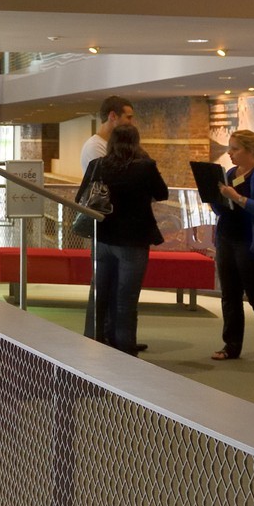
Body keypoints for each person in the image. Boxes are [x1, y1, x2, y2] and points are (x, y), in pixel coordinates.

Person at [77, 125, 167, 354]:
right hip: (133, 242)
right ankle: (124, 350)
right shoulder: (145, 167)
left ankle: (92, 345)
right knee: (125, 299)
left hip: (103, 238)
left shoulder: (97, 165)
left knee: (98, 295)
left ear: (111, 142)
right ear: (136, 142)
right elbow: (162, 193)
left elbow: (81, 197)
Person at [209, 130, 254, 368]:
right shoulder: (232, 174)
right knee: (229, 295)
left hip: (251, 242)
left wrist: (238, 198)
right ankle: (231, 346)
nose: (229, 153)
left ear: (250, 151)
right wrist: (214, 197)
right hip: (227, 238)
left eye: (234, 149)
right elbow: (224, 209)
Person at [80, 95, 136, 170]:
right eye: (128, 117)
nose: (132, 123)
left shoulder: (117, 145)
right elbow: (108, 178)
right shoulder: (95, 147)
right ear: (113, 116)